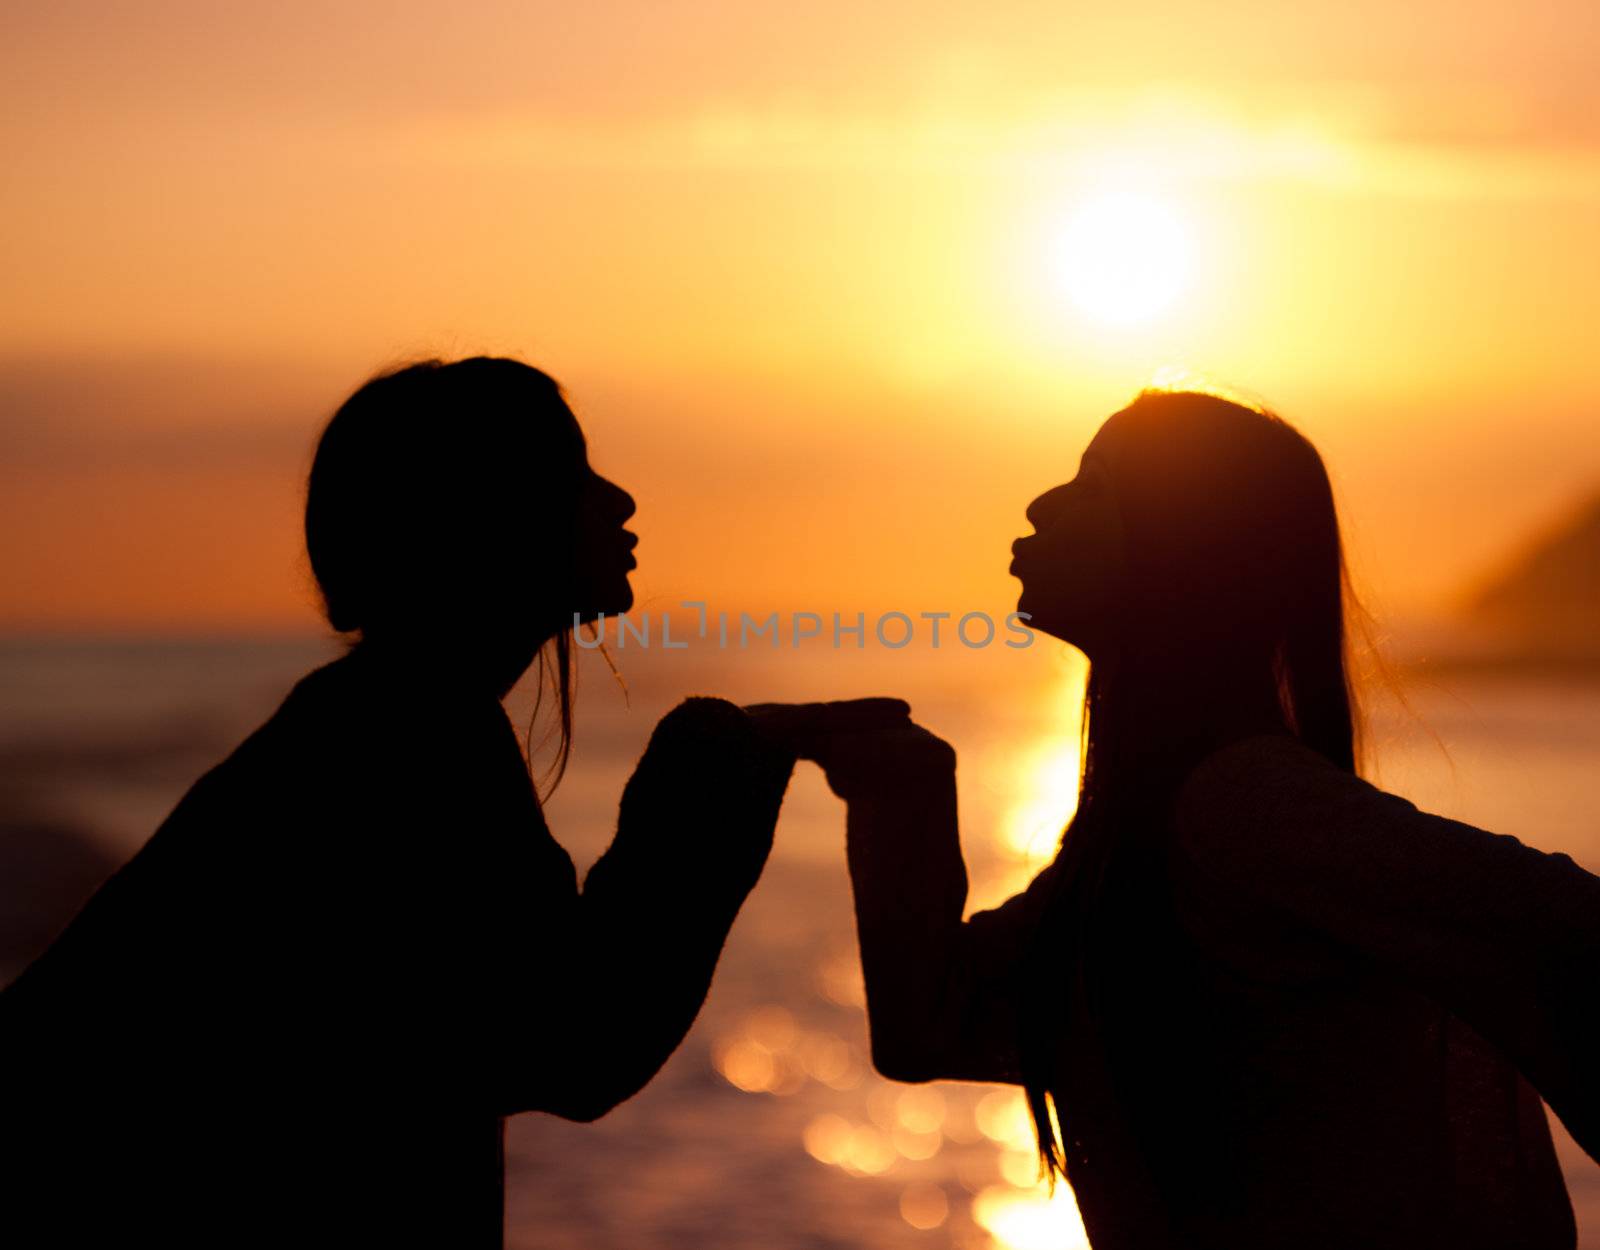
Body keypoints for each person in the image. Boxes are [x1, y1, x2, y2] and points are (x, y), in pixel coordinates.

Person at [759, 389, 1600, 1249]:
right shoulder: (1132, 830)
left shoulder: (1243, 802)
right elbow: (927, 1029)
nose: (1042, 505)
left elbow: (1564, 918)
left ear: (1187, 548)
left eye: (1093, 483)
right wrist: (906, 792)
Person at [0, 357, 806, 1247]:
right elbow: (575, 1043)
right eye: (571, 474)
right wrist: (719, 760)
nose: (620, 500)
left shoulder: (373, 721)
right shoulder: (403, 741)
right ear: (483, 518)